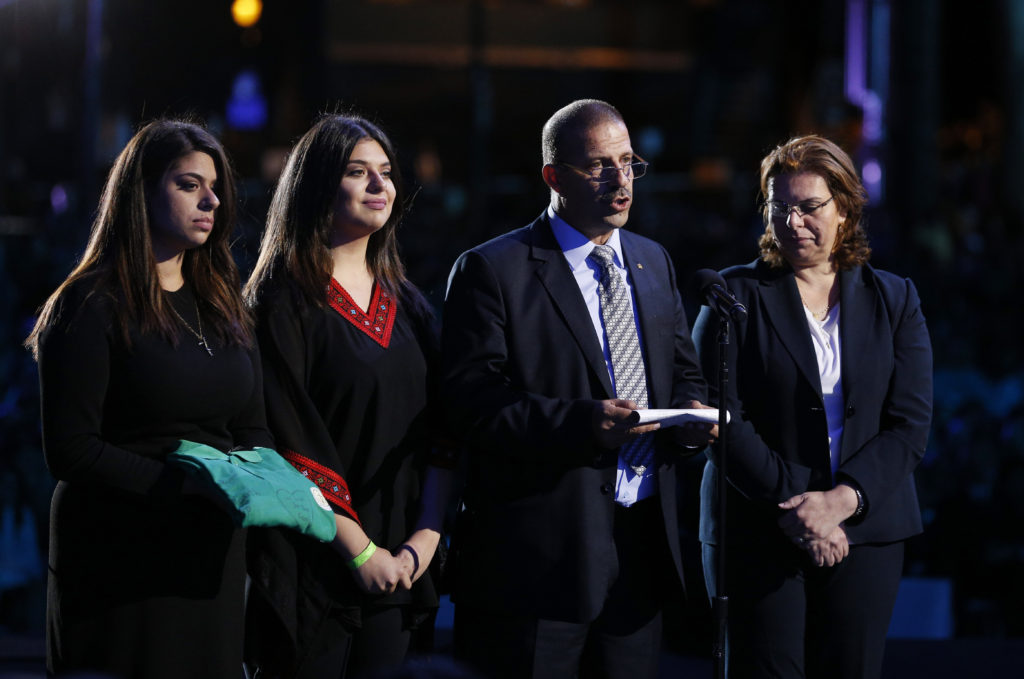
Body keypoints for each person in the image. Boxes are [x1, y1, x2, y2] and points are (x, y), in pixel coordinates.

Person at [441, 99, 716, 679]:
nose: (621, 181)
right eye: (599, 166)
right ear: (553, 176)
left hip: (641, 554)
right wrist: (583, 423)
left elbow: (682, 372)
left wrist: (692, 420)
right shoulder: (493, 270)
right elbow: (472, 405)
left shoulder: (652, 260)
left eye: (628, 162)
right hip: (538, 564)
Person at [25, 119, 272, 677]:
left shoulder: (225, 305)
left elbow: (252, 426)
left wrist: (262, 486)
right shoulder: (89, 303)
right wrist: (188, 487)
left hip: (208, 556)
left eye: (215, 187)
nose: (210, 199)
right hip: (120, 555)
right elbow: (72, 450)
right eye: (189, 184)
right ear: (141, 192)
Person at [692, 134, 932, 679]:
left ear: (844, 209)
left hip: (865, 533)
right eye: (781, 208)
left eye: (809, 207)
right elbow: (721, 418)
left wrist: (841, 502)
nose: (793, 221)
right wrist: (802, 509)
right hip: (757, 532)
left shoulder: (895, 299)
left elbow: (909, 424)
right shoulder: (733, 297)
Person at [243, 113, 451, 678]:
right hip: (316, 566)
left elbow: (445, 431)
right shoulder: (280, 301)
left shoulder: (409, 303)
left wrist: (425, 539)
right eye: (359, 172)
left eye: (385, 172)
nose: (380, 185)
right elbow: (281, 435)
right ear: (317, 185)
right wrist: (358, 550)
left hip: (403, 565)